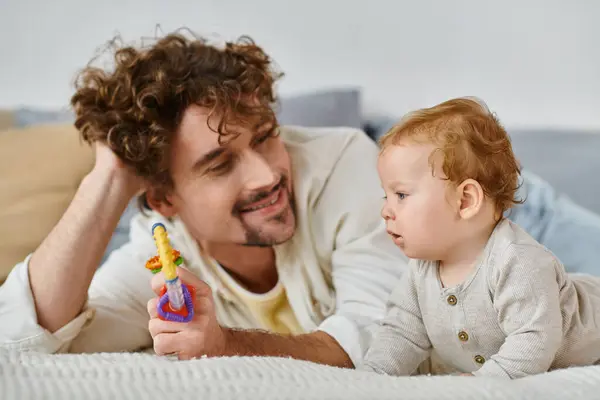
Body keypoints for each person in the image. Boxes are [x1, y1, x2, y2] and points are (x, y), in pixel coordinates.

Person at [0, 30, 598, 370]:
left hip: (491, 219)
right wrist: (108, 177)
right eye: (221, 163)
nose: (266, 174)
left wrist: (226, 344)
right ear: (164, 200)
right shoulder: (159, 256)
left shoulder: (342, 166)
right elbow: (26, 342)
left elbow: (380, 339)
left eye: (265, 137)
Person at [358, 97, 600, 379]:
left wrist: (481, 383)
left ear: (465, 200)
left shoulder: (518, 261)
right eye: (385, 196)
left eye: (400, 195)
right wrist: (371, 377)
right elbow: (401, 332)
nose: (386, 211)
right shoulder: (422, 270)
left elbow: (533, 340)